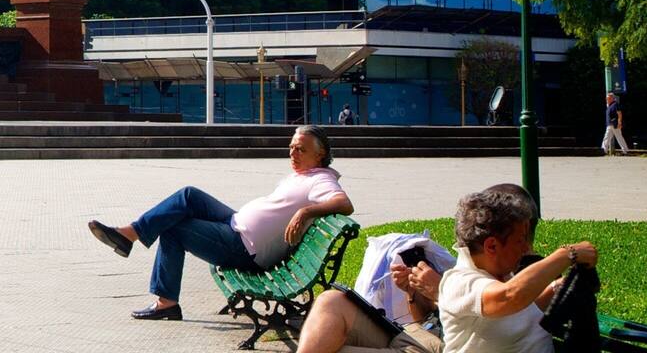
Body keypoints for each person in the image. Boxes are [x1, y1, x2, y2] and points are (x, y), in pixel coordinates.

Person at [86, 125, 354, 320]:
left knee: (174, 229)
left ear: (320, 154)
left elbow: (344, 203)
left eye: (301, 149)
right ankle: (130, 233)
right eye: (292, 148)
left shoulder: (321, 179)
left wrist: (305, 212)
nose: (293, 153)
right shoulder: (304, 174)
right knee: (188, 195)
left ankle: (166, 302)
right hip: (235, 224)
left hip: (245, 248)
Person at [438, 184, 597, 353]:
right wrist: (567, 253)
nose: (526, 248)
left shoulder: (503, 274)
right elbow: (508, 297)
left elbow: (519, 315)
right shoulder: (459, 282)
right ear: (492, 246)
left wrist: (557, 287)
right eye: (520, 240)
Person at [298, 259, 446, 353]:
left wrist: (441, 291)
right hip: (411, 334)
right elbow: (426, 317)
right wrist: (412, 292)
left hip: (442, 347)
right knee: (332, 301)